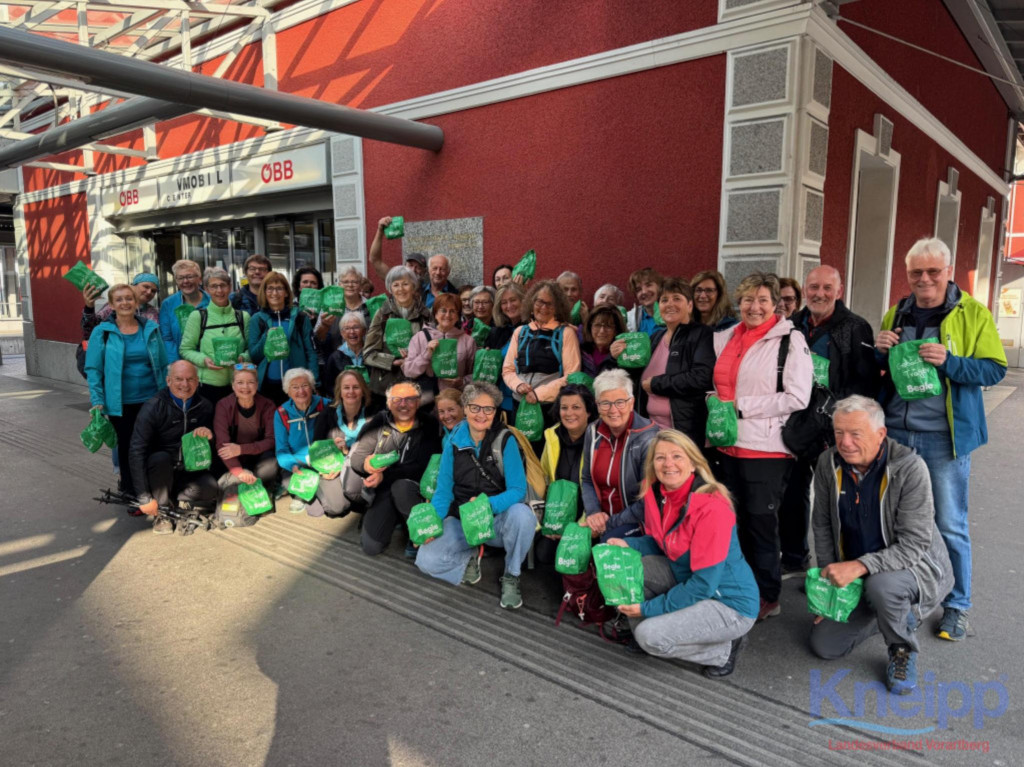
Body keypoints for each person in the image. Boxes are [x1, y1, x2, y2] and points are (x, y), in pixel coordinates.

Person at [876, 237, 1006, 642]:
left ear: (948, 272)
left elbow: (994, 369)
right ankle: (908, 598)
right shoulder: (897, 311)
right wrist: (880, 351)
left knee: (949, 523)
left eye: (933, 271)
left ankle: (957, 605)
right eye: (916, 272)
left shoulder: (973, 313)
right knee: (898, 522)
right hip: (896, 434)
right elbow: (885, 370)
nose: (925, 279)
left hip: (943, 437)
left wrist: (951, 362)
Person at [809, 396, 953, 694]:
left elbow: (914, 545)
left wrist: (859, 566)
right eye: (839, 433)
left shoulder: (909, 468)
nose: (845, 442)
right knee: (825, 646)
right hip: (859, 573)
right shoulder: (827, 462)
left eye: (855, 434)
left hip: (912, 570)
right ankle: (888, 615)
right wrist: (830, 587)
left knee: (882, 586)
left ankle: (901, 648)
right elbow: (821, 524)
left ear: (880, 434)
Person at [609, 430, 758, 677]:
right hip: (687, 577)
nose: (668, 464)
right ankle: (651, 630)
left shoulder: (712, 507)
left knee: (650, 637)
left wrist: (647, 609)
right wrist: (628, 545)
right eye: (660, 458)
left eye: (677, 456)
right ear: (652, 465)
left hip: (729, 603)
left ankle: (724, 649)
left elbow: (703, 585)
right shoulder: (659, 495)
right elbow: (664, 543)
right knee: (631, 567)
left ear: (693, 464)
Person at [710, 272, 813, 621]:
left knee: (761, 525)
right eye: (748, 300)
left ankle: (768, 595)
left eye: (763, 300)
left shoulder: (789, 340)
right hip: (726, 444)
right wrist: (715, 403)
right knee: (733, 524)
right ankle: (739, 589)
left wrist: (741, 407)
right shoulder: (726, 337)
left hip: (766, 449)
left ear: (775, 305)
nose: (754, 307)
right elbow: (720, 385)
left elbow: (798, 397)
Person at [780, 264, 879, 578]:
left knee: (837, 500)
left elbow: (865, 383)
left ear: (839, 291)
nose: (819, 294)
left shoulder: (855, 327)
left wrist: (835, 414)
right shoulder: (792, 324)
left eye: (827, 288)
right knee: (792, 495)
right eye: (813, 287)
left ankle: (843, 568)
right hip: (796, 426)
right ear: (804, 291)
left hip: (835, 429)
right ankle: (794, 558)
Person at [415, 382, 536, 610]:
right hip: (462, 519)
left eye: (488, 409)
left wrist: (486, 505)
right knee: (426, 561)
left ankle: (511, 574)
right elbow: (443, 492)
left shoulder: (505, 440)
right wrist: (432, 526)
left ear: (495, 411)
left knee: (523, 516)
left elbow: (518, 490)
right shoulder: (453, 441)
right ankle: (469, 557)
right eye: (475, 407)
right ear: (465, 408)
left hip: (495, 521)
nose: (481, 414)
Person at [85, 283, 168, 508]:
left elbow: (163, 364)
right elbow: (93, 369)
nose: (125, 303)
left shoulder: (150, 328)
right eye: (119, 299)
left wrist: (167, 395)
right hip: (120, 403)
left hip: (151, 399)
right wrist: (97, 400)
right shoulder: (102, 332)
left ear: (136, 302)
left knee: (152, 445)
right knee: (128, 448)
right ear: (111, 305)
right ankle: (132, 493)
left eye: (129, 298)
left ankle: (155, 491)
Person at [347, 380, 443, 555]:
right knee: (371, 547)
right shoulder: (379, 421)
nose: (403, 404)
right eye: (397, 399)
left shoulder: (429, 423)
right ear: (388, 403)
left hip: (413, 491)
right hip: (384, 490)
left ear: (418, 402)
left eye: (410, 399)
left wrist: (385, 476)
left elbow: (422, 467)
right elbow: (357, 457)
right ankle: (396, 519)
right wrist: (366, 465)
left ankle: (415, 532)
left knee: (401, 488)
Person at [129, 360, 218, 534]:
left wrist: (210, 437)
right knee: (160, 458)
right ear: (168, 381)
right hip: (159, 470)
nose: (185, 384)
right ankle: (162, 513)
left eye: (190, 379)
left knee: (211, 489)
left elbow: (213, 447)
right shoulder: (153, 406)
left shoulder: (205, 406)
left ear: (197, 381)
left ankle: (170, 499)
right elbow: (136, 450)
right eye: (179, 379)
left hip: (188, 470)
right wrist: (144, 497)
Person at [579, 369, 660, 541]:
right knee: (567, 546)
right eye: (605, 403)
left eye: (620, 402)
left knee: (607, 545)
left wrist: (607, 524)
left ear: (632, 403)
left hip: (638, 521)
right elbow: (586, 479)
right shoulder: (592, 431)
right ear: (597, 405)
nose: (613, 410)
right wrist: (593, 513)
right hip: (601, 518)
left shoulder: (648, 437)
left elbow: (647, 501)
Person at [636, 278, 714, 442]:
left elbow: (701, 377)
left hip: (683, 433)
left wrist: (656, 384)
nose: (670, 304)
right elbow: (638, 377)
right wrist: (618, 355)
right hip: (650, 432)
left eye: (677, 298)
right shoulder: (655, 338)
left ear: (690, 306)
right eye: (664, 300)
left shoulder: (701, 334)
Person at [502, 280, 581, 423]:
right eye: (540, 302)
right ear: (531, 304)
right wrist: (518, 385)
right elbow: (508, 370)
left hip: (549, 408)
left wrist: (539, 394)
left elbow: (571, 376)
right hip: (519, 405)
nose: (544, 307)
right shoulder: (520, 332)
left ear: (558, 308)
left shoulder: (566, 333)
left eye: (550, 304)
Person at [536, 383, 598, 564]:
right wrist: (548, 520)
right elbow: (543, 480)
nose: (569, 413)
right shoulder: (552, 437)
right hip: (558, 514)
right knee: (545, 556)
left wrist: (578, 527)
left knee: (577, 559)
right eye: (564, 407)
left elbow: (600, 491)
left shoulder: (599, 441)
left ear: (588, 411)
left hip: (587, 516)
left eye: (576, 407)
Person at [273, 368, 345, 517]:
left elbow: (339, 434)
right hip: (298, 464)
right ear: (287, 391)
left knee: (337, 508)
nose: (301, 391)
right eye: (295, 387)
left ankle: (315, 489)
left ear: (312, 387)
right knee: (316, 511)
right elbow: (281, 450)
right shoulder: (281, 413)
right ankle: (304, 492)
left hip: (325, 460)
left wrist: (335, 461)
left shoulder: (326, 405)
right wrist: (293, 466)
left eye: (305, 385)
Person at [179, 267, 251, 404]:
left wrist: (243, 358)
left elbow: (250, 348)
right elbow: (185, 349)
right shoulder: (198, 316)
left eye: (223, 285)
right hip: (208, 385)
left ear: (230, 287)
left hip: (239, 384)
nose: (219, 290)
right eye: (214, 286)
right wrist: (204, 360)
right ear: (206, 289)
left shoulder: (243, 317)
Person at [363, 265, 432, 398]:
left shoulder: (425, 314)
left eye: (405, 284)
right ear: (390, 288)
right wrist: (393, 361)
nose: (401, 289)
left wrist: (413, 361)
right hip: (386, 387)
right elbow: (368, 354)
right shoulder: (382, 314)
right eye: (396, 285)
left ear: (413, 286)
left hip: (417, 386)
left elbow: (432, 350)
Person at [249, 272, 318, 405]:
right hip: (268, 386)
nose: (274, 293)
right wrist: (266, 337)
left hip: (297, 386)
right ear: (264, 292)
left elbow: (311, 352)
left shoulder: (300, 317)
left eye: (279, 288)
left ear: (286, 293)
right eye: (270, 288)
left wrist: (314, 382)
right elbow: (254, 356)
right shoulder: (257, 319)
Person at [213, 363, 279, 497]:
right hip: (232, 458)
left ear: (257, 384)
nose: (245, 387)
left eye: (250, 382)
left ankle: (260, 490)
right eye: (240, 382)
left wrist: (241, 449)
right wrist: (240, 472)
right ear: (233, 385)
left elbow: (271, 440)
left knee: (271, 463)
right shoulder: (223, 405)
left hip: (258, 457)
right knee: (228, 478)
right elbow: (222, 445)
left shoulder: (268, 405)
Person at [403, 293, 476, 402]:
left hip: (456, 400)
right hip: (426, 399)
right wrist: (426, 354)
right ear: (435, 313)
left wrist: (462, 381)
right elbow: (409, 371)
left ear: (458, 316)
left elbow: (475, 374)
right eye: (443, 310)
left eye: (452, 311)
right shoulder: (419, 337)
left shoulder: (468, 341)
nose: (447, 315)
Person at [314, 267, 369, 367]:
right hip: (336, 363)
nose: (350, 285)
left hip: (366, 361)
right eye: (345, 282)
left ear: (360, 285)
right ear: (339, 285)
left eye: (354, 282)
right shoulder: (330, 307)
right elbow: (318, 339)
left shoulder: (370, 306)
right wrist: (324, 326)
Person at [314, 368, 376, 454]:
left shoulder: (375, 413)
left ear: (363, 391)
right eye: (346, 387)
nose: (351, 391)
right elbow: (317, 449)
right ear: (340, 392)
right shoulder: (327, 415)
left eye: (356, 387)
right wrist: (332, 448)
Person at [159, 259, 209, 363]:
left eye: (190, 277)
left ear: (199, 279)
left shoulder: (212, 302)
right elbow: (167, 339)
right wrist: (176, 364)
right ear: (176, 281)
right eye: (180, 278)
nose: (185, 281)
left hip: (209, 363)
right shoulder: (168, 304)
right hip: (181, 364)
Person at [81, 273, 160, 337]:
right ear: (133, 285)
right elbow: (90, 330)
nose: (149, 292)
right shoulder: (114, 307)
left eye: (153, 291)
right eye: (146, 287)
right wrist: (89, 308)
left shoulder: (153, 312)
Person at [367, 215, 427, 282]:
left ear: (424, 272)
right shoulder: (396, 281)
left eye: (418, 267)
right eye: (410, 265)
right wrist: (380, 230)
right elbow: (375, 260)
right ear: (404, 266)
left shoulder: (430, 287)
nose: (413, 270)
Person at [322, 311, 368, 396]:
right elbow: (329, 386)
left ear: (364, 331)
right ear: (342, 333)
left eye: (356, 327)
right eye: (347, 328)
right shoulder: (335, 357)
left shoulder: (372, 354)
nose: (352, 332)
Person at [580, 303, 626, 377]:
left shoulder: (624, 354)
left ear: (616, 330)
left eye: (608, 326)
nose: (602, 331)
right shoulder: (582, 351)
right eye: (597, 325)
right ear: (590, 327)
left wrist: (612, 359)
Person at [626, 267, 663, 336]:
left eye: (648, 285)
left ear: (659, 287)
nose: (644, 292)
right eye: (638, 289)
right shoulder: (630, 319)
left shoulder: (671, 311)